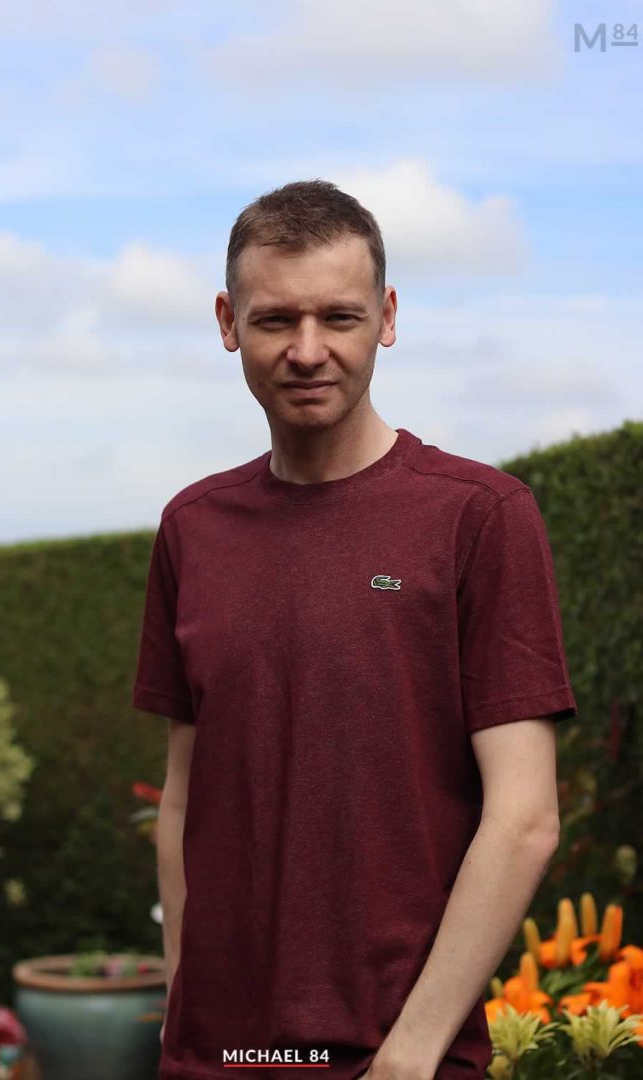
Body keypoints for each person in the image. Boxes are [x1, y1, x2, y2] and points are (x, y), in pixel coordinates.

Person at [132, 179, 578, 1080]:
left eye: (339, 317)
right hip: (216, 1058)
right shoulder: (193, 526)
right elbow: (183, 794)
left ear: (387, 317)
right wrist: (185, 991)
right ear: (227, 321)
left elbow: (525, 816)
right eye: (274, 320)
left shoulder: (479, 517)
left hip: (401, 1056)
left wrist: (409, 1054)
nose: (307, 351)